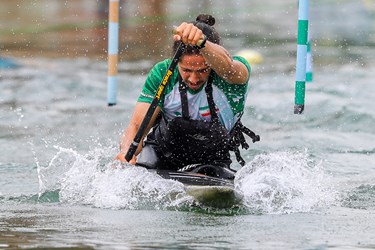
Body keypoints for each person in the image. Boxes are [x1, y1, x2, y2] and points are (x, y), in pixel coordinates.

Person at [115, 14, 258, 177]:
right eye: (187, 70)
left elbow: (227, 65)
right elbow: (136, 126)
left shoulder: (233, 76)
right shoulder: (163, 73)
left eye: (202, 70)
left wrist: (203, 43)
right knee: (143, 170)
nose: (194, 79)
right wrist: (126, 154)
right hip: (161, 153)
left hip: (213, 160)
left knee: (213, 174)